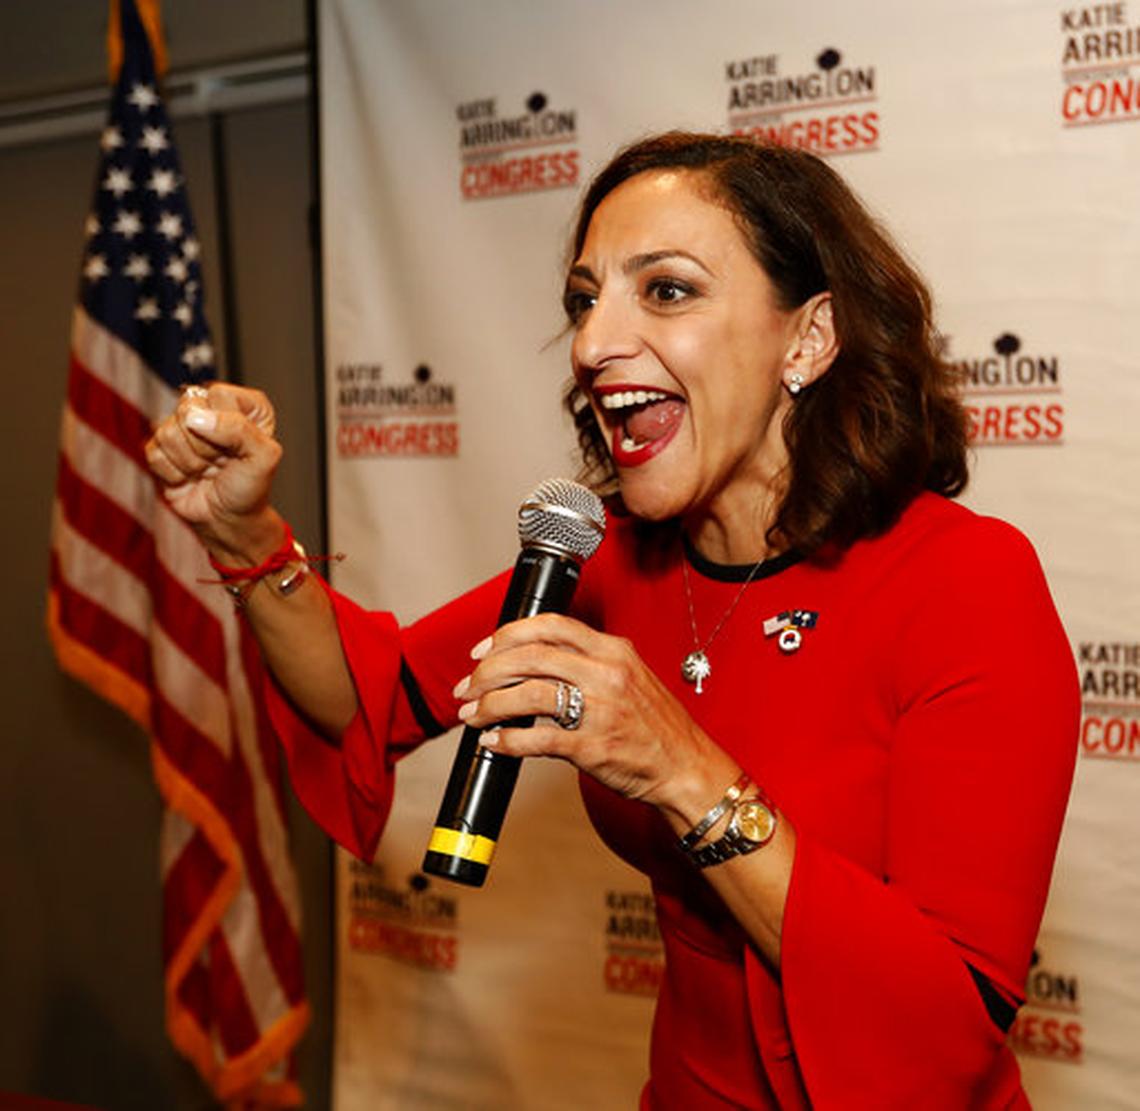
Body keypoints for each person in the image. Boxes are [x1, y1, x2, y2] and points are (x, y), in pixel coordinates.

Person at [146, 132, 1079, 1109]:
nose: (592, 345)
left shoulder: (967, 580)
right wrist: (245, 533)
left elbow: (947, 1023)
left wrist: (683, 768)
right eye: (585, 301)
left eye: (666, 290)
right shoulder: (610, 557)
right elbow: (363, 694)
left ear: (807, 338)